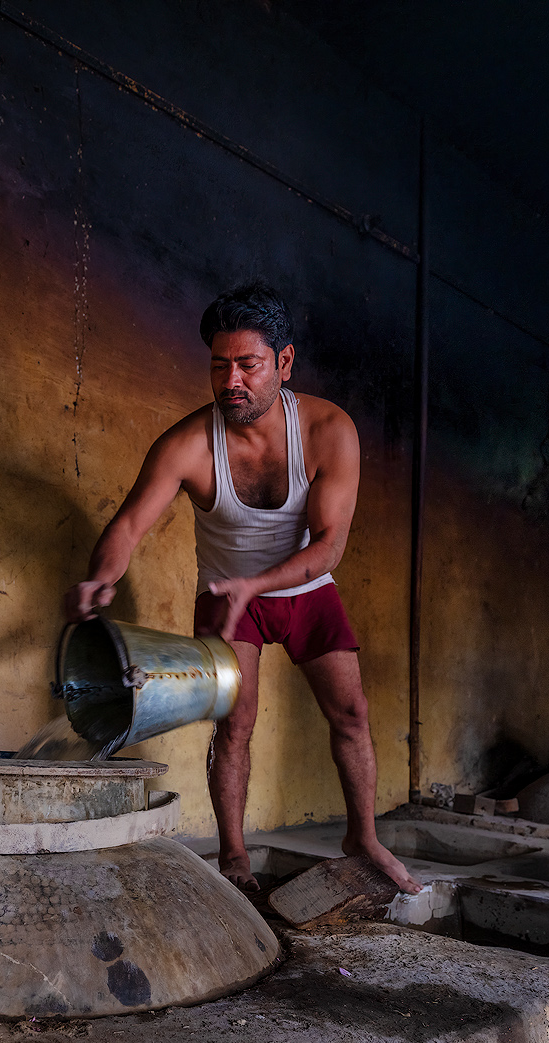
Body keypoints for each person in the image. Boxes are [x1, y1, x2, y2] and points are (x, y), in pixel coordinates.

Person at [64, 282, 420, 895]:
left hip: (304, 587)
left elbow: (328, 546)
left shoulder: (328, 429)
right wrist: (102, 577)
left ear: (284, 362)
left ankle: (362, 837)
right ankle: (233, 857)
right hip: (228, 600)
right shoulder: (187, 444)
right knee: (235, 724)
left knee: (352, 713)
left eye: (248, 365)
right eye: (219, 365)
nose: (232, 381)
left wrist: (259, 583)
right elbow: (128, 526)